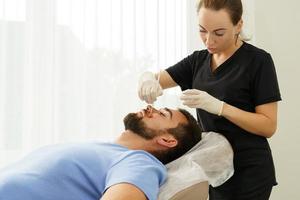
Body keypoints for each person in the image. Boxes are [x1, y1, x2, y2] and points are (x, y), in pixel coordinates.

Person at [138, 0, 281, 199]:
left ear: (238, 25)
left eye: (219, 33)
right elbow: (157, 79)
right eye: (202, 31)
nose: (208, 41)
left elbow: (268, 125)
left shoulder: (258, 61)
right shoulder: (198, 61)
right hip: (214, 171)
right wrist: (147, 79)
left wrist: (221, 107)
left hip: (249, 172)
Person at [0, 105, 202, 200]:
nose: (150, 108)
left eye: (161, 114)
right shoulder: (104, 150)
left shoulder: (139, 162)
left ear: (167, 140)